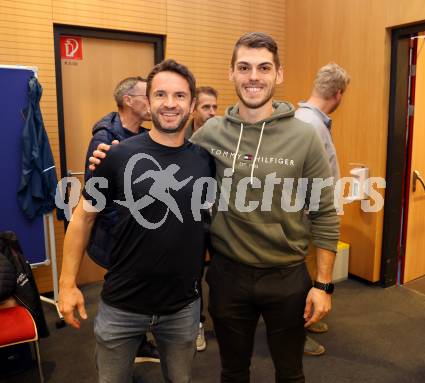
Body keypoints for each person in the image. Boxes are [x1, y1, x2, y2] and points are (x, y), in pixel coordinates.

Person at [90, 32, 340, 382]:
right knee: (233, 371)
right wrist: (111, 153)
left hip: (286, 276)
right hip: (228, 276)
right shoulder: (211, 133)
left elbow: (325, 212)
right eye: (244, 67)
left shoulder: (304, 136)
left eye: (263, 68)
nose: (254, 76)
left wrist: (324, 284)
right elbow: (168, 153)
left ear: (278, 75)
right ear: (231, 73)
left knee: (290, 372)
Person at [59, 59, 214, 383]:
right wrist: (67, 284)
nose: (170, 103)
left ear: (192, 104)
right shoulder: (118, 155)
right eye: (160, 94)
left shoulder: (204, 161)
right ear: (149, 101)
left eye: (179, 96)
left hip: (183, 307)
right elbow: (84, 217)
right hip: (122, 304)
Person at [84, 76, 160, 363]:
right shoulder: (104, 140)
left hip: (137, 235)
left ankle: (137, 343)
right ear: (129, 100)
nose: (154, 103)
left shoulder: (142, 135)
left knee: (136, 289)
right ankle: (122, 348)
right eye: (148, 95)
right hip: (118, 236)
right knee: (122, 294)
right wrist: (132, 226)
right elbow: (97, 199)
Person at [295, 62, 349, 356]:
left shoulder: (309, 120)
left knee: (309, 271)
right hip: (306, 216)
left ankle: (307, 318)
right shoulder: (310, 123)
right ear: (338, 94)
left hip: (310, 213)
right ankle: (295, 332)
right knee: (301, 278)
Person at [185, 85, 219, 352]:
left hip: (218, 217)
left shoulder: (220, 137)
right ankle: (197, 325)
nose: (212, 112)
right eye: (206, 107)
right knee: (193, 275)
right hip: (191, 220)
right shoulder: (182, 139)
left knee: (221, 274)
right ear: (194, 108)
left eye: (215, 107)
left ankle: (225, 321)